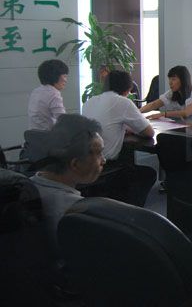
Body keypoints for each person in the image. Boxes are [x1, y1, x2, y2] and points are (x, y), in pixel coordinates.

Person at [29, 114, 105, 252]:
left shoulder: (26, 187)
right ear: (75, 164)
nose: (103, 160)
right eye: (99, 153)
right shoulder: (78, 213)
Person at [82, 70, 156, 206]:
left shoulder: (90, 101)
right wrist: (132, 130)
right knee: (147, 174)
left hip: (85, 161)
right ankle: (129, 210)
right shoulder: (122, 102)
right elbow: (149, 132)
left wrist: (122, 128)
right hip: (106, 165)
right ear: (127, 88)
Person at [27, 59, 69, 130]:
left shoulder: (36, 91)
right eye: (64, 76)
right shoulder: (53, 94)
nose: (66, 80)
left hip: (33, 134)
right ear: (55, 76)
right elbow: (63, 120)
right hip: (48, 134)